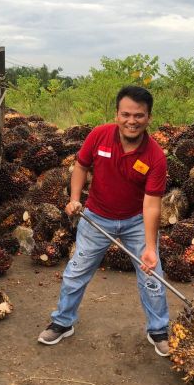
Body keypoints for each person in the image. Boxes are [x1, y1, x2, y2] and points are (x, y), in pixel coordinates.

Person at [37, 86, 171, 357]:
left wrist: (149, 247)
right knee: (76, 271)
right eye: (126, 114)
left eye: (139, 115)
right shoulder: (99, 136)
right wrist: (75, 198)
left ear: (149, 118)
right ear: (116, 114)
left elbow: (151, 204)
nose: (131, 121)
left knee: (153, 277)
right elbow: (81, 166)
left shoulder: (155, 156)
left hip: (135, 221)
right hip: (96, 217)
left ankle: (158, 330)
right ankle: (63, 322)